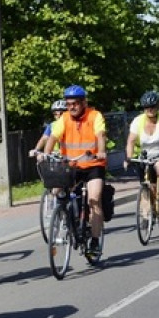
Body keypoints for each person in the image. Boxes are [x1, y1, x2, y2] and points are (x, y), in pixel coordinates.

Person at [39, 85, 108, 255]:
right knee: (56, 191)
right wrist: (46, 154)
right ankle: (68, 219)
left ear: (84, 102)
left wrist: (101, 152)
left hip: (93, 165)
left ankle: (95, 240)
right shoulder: (64, 119)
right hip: (72, 166)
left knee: (94, 199)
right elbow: (53, 137)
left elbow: (101, 135)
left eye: (75, 103)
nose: (72, 107)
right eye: (68, 104)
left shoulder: (95, 116)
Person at [125, 91, 159, 202]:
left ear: (157, 107)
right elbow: (131, 141)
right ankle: (150, 212)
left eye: (153, 107)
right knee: (148, 187)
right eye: (147, 107)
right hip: (145, 156)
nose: (150, 110)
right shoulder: (137, 121)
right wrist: (129, 157)